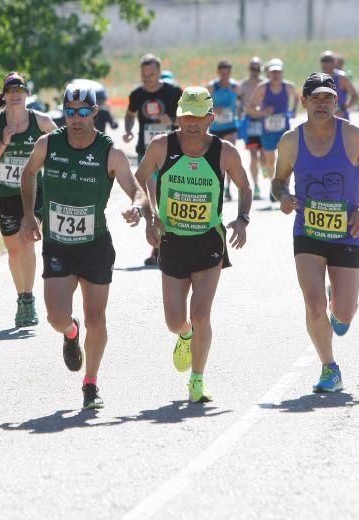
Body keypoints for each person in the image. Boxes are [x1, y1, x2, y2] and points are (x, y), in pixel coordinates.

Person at [20, 83, 151, 410]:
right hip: (58, 245)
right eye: (69, 111)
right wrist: (27, 215)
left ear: (95, 112)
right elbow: (27, 174)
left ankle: (90, 383)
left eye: (82, 112)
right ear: (63, 112)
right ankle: (70, 332)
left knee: (97, 316)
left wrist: (137, 208)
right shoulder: (48, 143)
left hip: (94, 245)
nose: (75, 118)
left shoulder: (110, 152)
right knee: (55, 316)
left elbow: (137, 190)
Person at [272, 72, 359, 393]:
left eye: (328, 98)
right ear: (304, 102)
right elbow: (278, 181)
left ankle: (339, 305)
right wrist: (283, 197)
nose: (322, 103)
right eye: (316, 98)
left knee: (343, 314)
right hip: (307, 233)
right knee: (313, 305)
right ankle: (329, 368)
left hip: (347, 233)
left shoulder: (353, 136)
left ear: (336, 102)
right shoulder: (291, 141)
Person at [135, 87, 252, 403]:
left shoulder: (224, 152)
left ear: (211, 117)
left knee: (201, 314)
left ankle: (197, 380)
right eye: (186, 116)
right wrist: (151, 216)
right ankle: (184, 335)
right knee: (175, 321)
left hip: (208, 242)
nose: (191, 123)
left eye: (198, 117)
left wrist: (242, 219)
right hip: (172, 240)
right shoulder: (162, 147)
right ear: (178, 116)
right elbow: (139, 180)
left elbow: (245, 187)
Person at [0, 72, 57, 328]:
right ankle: (21, 295)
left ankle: (28, 299)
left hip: (35, 193)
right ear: (3, 95)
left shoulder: (42, 122)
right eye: (10, 90)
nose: (14, 94)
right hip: (7, 194)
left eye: (19, 90)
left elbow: (61, 149)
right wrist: (4, 142)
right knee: (14, 251)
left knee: (27, 243)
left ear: (27, 94)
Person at [124, 54, 183, 265]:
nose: (147, 78)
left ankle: (172, 243)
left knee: (170, 199)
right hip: (146, 152)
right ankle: (157, 248)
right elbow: (130, 114)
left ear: (159, 73)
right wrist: (128, 130)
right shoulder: (137, 94)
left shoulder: (174, 92)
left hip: (172, 152)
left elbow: (191, 119)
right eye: (144, 75)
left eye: (151, 74)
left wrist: (173, 121)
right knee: (152, 199)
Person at [245, 58, 298, 201]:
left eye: (278, 72)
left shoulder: (288, 87)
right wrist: (263, 112)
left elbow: (298, 97)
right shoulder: (262, 88)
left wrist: (293, 110)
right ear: (268, 73)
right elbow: (250, 108)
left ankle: (285, 187)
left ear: (282, 73)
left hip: (283, 129)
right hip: (268, 129)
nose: (276, 75)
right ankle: (273, 187)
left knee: (286, 159)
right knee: (270, 160)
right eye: (273, 72)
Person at [206, 60, 241, 201]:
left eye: (228, 73)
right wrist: (214, 110)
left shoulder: (235, 87)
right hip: (215, 127)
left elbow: (240, 103)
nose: (225, 75)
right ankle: (217, 185)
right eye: (222, 73)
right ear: (218, 72)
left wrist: (239, 112)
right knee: (217, 158)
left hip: (231, 126)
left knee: (229, 156)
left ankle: (228, 188)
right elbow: (205, 106)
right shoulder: (211, 87)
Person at [239, 57, 264, 200]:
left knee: (266, 157)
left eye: (257, 69)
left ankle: (266, 172)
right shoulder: (243, 85)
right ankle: (256, 185)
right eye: (252, 69)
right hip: (250, 123)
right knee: (253, 155)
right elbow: (237, 101)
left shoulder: (264, 84)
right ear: (249, 69)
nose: (255, 72)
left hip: (263, 122)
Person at [321, 51, 358, 120]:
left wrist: (343, 108)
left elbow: (355, 96)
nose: (325, 63)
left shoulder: (341, 78)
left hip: (341, 120)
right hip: (324, 120)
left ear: (334, 62)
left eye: (328, 60)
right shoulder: (318, 79)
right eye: (323, 60)